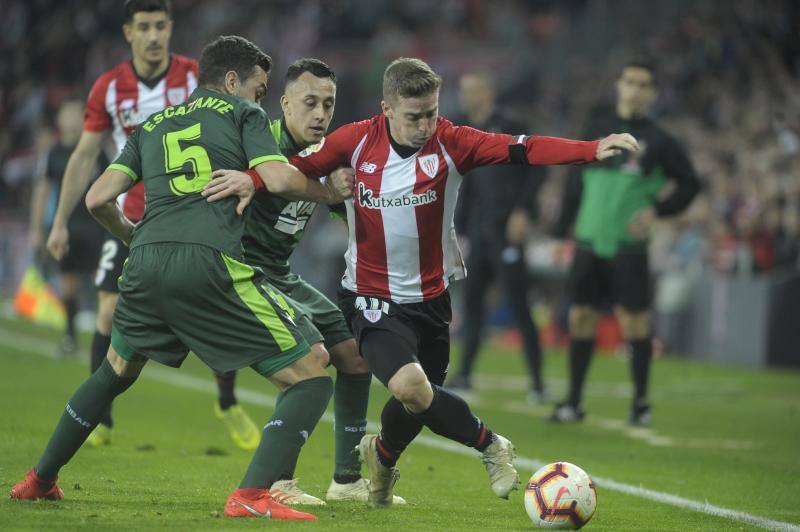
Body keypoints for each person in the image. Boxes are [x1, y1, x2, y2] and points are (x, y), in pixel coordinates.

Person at [207, 57, 638, 507]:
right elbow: (293, 169)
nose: (425, 124)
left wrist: (590, 150)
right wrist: (250, 178)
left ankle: (381, 458)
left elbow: (522, 147)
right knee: (412, 388)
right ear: (387, 110)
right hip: (370, 298)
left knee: (418, 400)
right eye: (414, 116)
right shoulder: (354, 141)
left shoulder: (453, 142)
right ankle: (491, 445)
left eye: (431, 112)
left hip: (432, 299)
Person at [11, 34, 353, 522]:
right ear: (232, 81)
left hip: (146, 262)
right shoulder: (244, 114)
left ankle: (39, 480)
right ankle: (253, 495)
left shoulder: (152, 123)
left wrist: (133, 237)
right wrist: (328, 195)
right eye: (259, 87)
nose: (261, 97)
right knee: (313, 377)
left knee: (114, 371)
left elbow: (96, 198)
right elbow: (277, 179)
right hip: (209, 262)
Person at [43, 0, 260, 450]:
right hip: (131, 214)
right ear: (128, 32)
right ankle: (100, 415)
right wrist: (60, 219)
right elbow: (85, 154)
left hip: (195, 209)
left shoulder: (194, 79)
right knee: (106, 310)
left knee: (219, 302)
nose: (154, 35)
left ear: (170, 28)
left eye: (161, 25)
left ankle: (226, 400)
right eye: (144, 27)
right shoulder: (108, 87)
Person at [206, 57, 400, 505]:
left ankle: (347, 481)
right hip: (244, 273)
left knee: (354, 356)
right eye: (310, 102)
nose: (320, 114)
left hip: (282, 275)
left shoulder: (327, 156)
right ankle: (278, 483)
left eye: (328, 105)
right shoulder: (256, 145)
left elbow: (351, 220)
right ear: (285, 103)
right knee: (312, 358)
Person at [549, 60, 700, 426]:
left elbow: (690, 184)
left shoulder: (661, 140)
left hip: (628, 247)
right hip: (587, 240)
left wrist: (658, 210)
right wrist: (559, 231)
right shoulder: (597, 128)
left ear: (651, 93)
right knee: (581, 316)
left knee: (635, 323)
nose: (634, 89)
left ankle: (641, 403)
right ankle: (573, 402)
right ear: (618, 85)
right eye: (629, 81)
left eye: (642, 84)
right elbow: (574, 181)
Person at [446, 71, 547, 402]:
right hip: (479, 230)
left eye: (472, 89)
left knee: (519, 304)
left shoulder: (510, 125)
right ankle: (464, 375)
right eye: (464, 90)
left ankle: (538, 383)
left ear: (487, 91)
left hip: (507, 230)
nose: (465, 96)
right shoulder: (463, 131)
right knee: (473, 303)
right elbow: (466, 184)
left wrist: (524, 211)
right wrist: (458, 228)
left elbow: (538, 166)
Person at [29, 99, 106, 355]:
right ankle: (70, 337)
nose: (72, 118)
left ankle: (106, 340)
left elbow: (112, 184)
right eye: (67, 113)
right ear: (60, 119)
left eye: (76, 113)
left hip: (96, 224)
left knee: (104, 282)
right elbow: (42, 191)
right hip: (67, 225)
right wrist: (37, 228)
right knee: (69, 282)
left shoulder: (96, 149)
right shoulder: (53, 152)